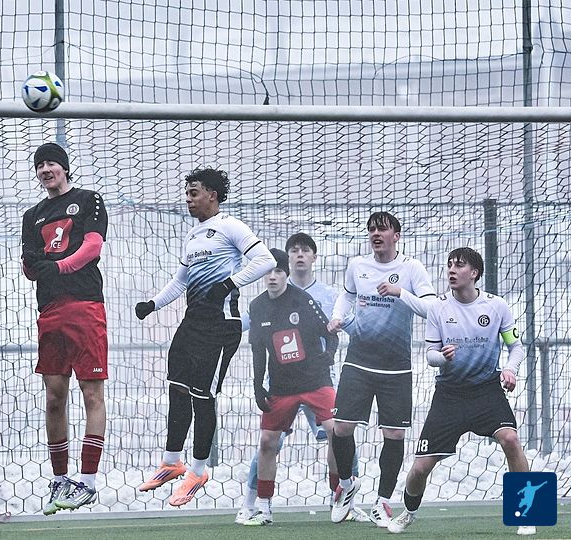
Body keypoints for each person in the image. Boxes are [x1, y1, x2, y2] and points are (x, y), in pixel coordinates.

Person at [135, 167, 276, 507]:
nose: (188, 199)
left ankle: (198, 471)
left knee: (202, 394)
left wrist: (229, 284)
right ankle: (172, 462)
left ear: (212, 195)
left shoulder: (230, 226)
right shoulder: (193, 236)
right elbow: (181, 281)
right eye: (187, 193)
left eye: (194, 192)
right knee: (177, 387)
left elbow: (265, 260)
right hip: (193, 322)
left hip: (221, 325)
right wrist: (153, 304)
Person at [388, 248, 534, 535]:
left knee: (511, 439)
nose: (452, 271)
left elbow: (516, 347)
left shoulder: (497, 306)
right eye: (449, 265)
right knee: (420, 469)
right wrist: (443, 357)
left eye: (459, 266)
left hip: (487, 391)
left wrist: (510, 369)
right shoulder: (438, 308)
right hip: (449, 395)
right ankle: (409, 512)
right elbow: (431, 355)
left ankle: (528, 513)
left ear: (474, 273)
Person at [236, 233, 369, 524]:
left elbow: (336, 328)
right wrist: (257, 385)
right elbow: (251, 338)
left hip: (318, 379)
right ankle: (255, 505)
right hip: (281, 384)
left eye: (304, 250)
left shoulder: (323, 296)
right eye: (293, 250)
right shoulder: (259, 305)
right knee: (269, 442)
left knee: (339, 432)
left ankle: (343, 497)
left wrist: (333, 354)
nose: (299, 255)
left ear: (312, 258)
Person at [327, 212, 436, 527]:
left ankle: (383, 501)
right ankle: (346, 485)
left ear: (396, 236)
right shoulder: (357, 266)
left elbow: (432, 307)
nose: (376, 234)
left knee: (394, 433)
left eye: (383, 229)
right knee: (341, 428)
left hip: (396, 366)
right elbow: (346, 296)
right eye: (372, 229)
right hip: (358, 361)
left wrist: (401, 292)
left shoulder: (412, 268)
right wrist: (337, 317)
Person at [20, 142, 108, 515]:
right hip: (50, 309)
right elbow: (30, 268)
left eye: (51, 163)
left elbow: (92, 246)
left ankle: (87, 482)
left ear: (65, 167)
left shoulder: (89, 200)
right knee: (54, 396)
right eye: (39, 165)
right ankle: (60, 479)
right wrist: (32, 265)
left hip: (85, 305)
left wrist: (58, 266)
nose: (45, 170)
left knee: (92, 394)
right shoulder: (32, 215)